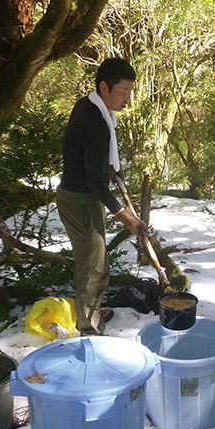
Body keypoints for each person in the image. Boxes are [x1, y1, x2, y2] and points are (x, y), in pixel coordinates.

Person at [56, 58, 147, 336]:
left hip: (81, 197)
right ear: (104, 87)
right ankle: (89, 326)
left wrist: (110, 166)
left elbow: (90, 157)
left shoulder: (91, 105)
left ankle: (90, 310)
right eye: (122, 92)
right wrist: (129, 219)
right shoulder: (94, 120)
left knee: (93, 261)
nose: (127, 99)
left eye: (130, 92)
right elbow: (96, 184)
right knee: (94, 266)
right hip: (79, 200)